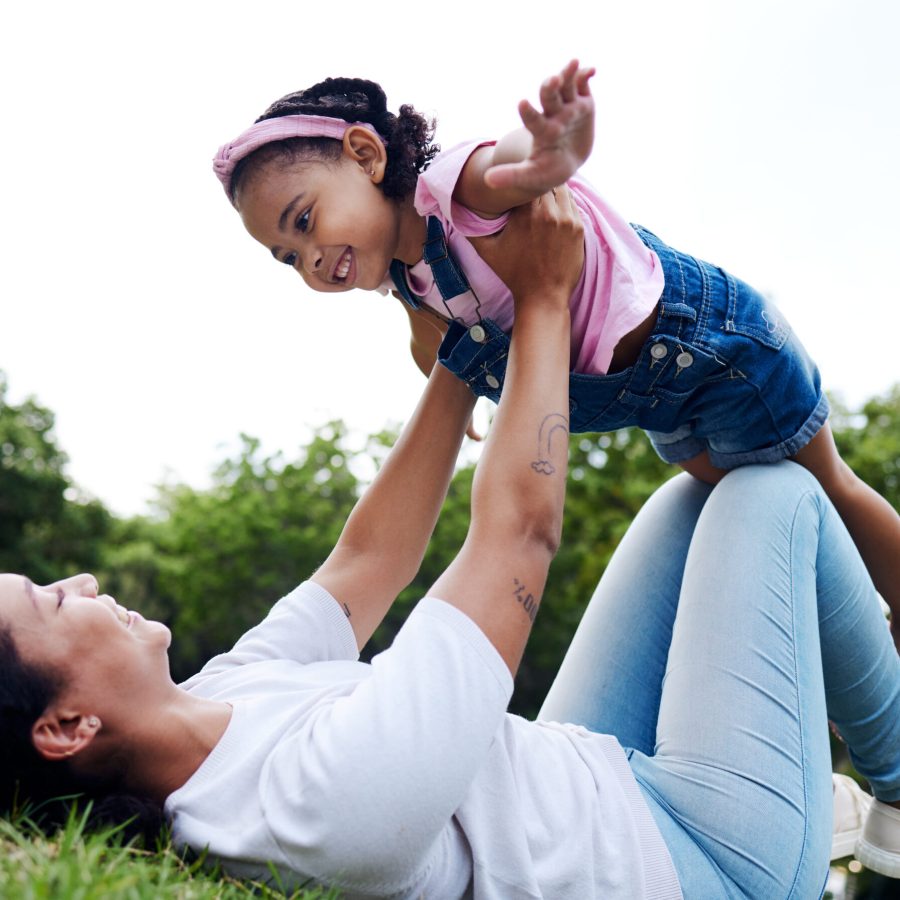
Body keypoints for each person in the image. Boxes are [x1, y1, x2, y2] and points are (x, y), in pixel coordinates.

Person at [2, 194, 898, 899]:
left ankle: (802, 783)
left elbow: (365, 566)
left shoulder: (224, 691)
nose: (79, 581)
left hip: (579, 794)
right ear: (67, 727)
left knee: (681, 504)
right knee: (770, 493)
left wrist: (466, 350)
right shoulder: (298, 811)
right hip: (701, 865)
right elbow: (517, 539)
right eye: (50, 603)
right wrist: (545, 297)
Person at [212, 61, 900, 646]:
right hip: (655, 402)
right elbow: (432, 337)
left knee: (827, 486)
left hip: (715, 347)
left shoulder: (450, 190)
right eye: (288, 256)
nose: (310, 258)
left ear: (366, 156)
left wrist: (550, 149)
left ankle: (892, 610)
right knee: (748, 504)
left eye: (304, 221)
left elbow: (505, 169)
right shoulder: (406, 278)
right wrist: (472, 398)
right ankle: (845, 616)